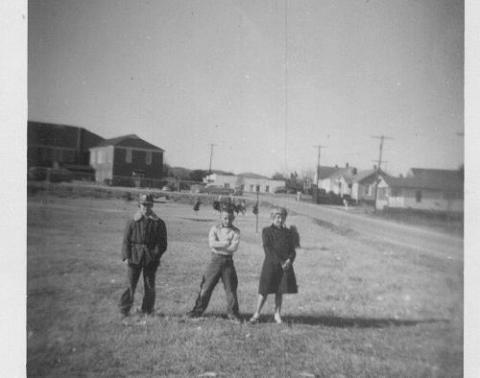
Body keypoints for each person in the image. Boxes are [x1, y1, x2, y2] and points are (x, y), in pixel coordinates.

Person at [186, 205, 241, 321]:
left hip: (228, 262)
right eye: (225, 218)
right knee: (206, 286)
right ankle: (197, 311)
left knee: (231, 289)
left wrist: (219, 244)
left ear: (233, 218)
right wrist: (225, 243)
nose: (228, 220)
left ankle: (233, 313)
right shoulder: (214, 228)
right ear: (221, 217)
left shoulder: (236, 231)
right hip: (215, 261)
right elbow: (212, 244)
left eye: (230, 218)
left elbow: (233, 248)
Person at [119, 193, 168, 317]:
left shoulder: (159, 223)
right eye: (143, 204)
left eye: (149, 204)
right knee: (130, 284)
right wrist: (126, 256)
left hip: (150, 259)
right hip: (134, 257)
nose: (146, 207)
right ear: (139, 205)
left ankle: (147, 309)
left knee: (149, 285)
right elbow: (126, 240)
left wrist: (155, 255)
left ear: (152, 205)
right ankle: (124, 310)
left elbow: (162, 243)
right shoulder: (132, 221)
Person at [249, 207, 298, 324]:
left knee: (279, 291)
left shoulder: (288, 233)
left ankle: (277, 314)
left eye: (282, 217)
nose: (280, 220)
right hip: (271, 265)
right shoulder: (266, 231)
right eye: (277, 217)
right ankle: (257, 313)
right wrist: (280, 262)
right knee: (264, 290)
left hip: (285, 267)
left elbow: (293, 250)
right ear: (272, 218)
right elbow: (268, 249)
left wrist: (289, 260)